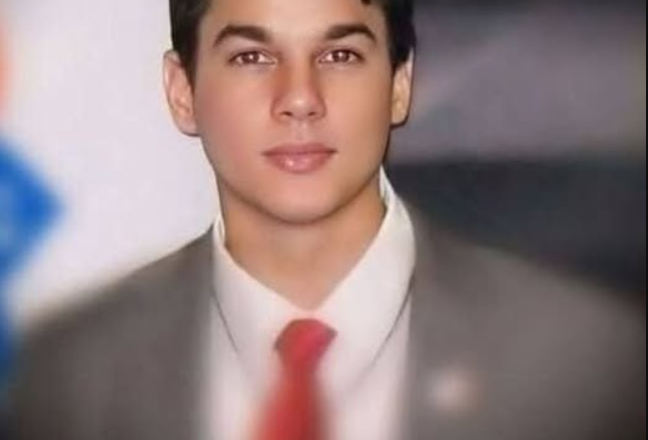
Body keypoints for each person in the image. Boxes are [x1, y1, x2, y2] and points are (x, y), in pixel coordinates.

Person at [6, 0, 645, 439]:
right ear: (182, 91)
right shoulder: (68, 374)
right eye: (252, 57)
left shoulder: (589, 363)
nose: (300, 99)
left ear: (400, 83)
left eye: (339, 55)